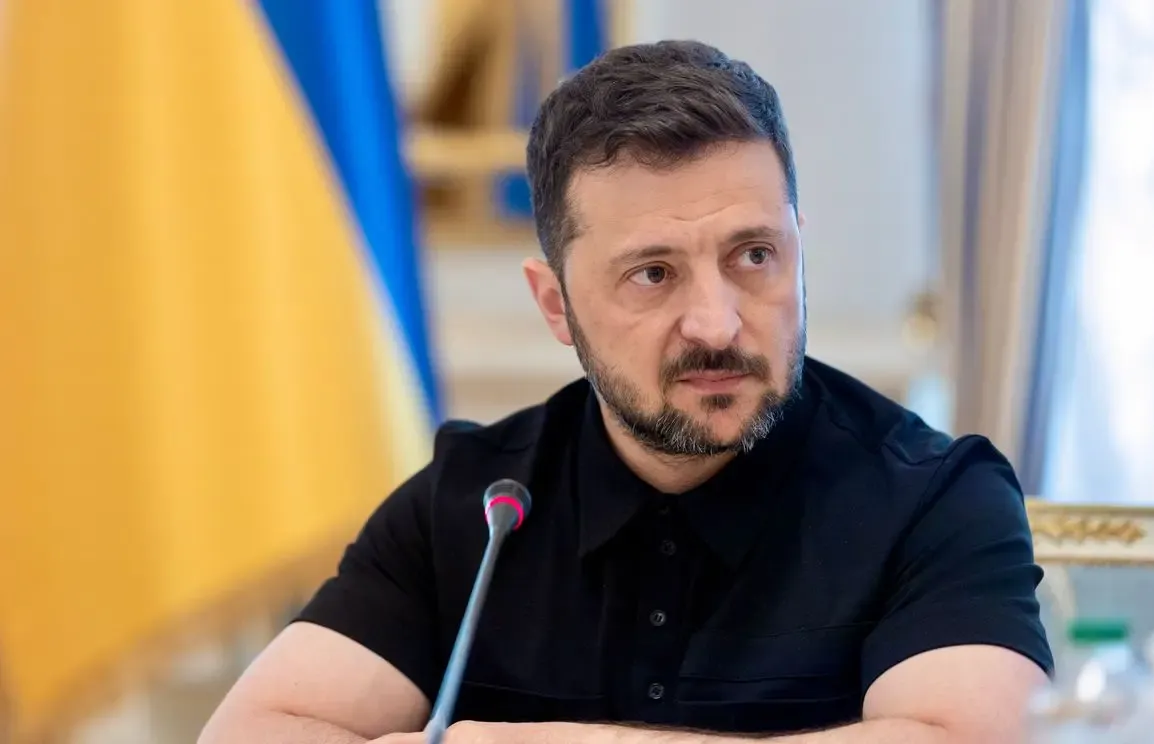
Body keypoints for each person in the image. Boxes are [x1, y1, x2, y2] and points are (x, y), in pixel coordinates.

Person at [199, 39, 1052, 744]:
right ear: (556, 305)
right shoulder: (479, 505)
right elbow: (252, 731)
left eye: (754, 256)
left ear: (799, 249)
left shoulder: (935, 498)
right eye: (653, 274)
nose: (716, 322)